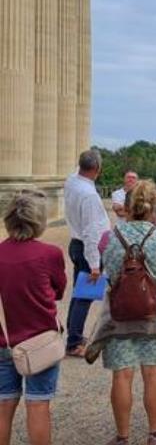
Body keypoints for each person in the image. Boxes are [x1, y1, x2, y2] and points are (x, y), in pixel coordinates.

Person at [87, 181, 156, 445]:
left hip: (120, 313)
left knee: (122, 375)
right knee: (153, 372)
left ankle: (122, 436)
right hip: (154, 312)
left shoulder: (110, 237)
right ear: (154, 206)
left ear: (127, 206)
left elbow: (110, 271)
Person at [0, 191, 66, 445]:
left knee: (4, 404)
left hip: (4, 338)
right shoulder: (50, 254)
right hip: (40, 340)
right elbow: (58, 291)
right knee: (38, 404)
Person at [63, 149, 110, 356]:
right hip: (86, 247)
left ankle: (74, 333)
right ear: (97, 170)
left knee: (78, 293)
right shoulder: (89, 195)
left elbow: (77, 171)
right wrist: (95, 265)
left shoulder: (72, 182)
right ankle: (74, 342)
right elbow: (92, 233)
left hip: (76, 243)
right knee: (84, 296)